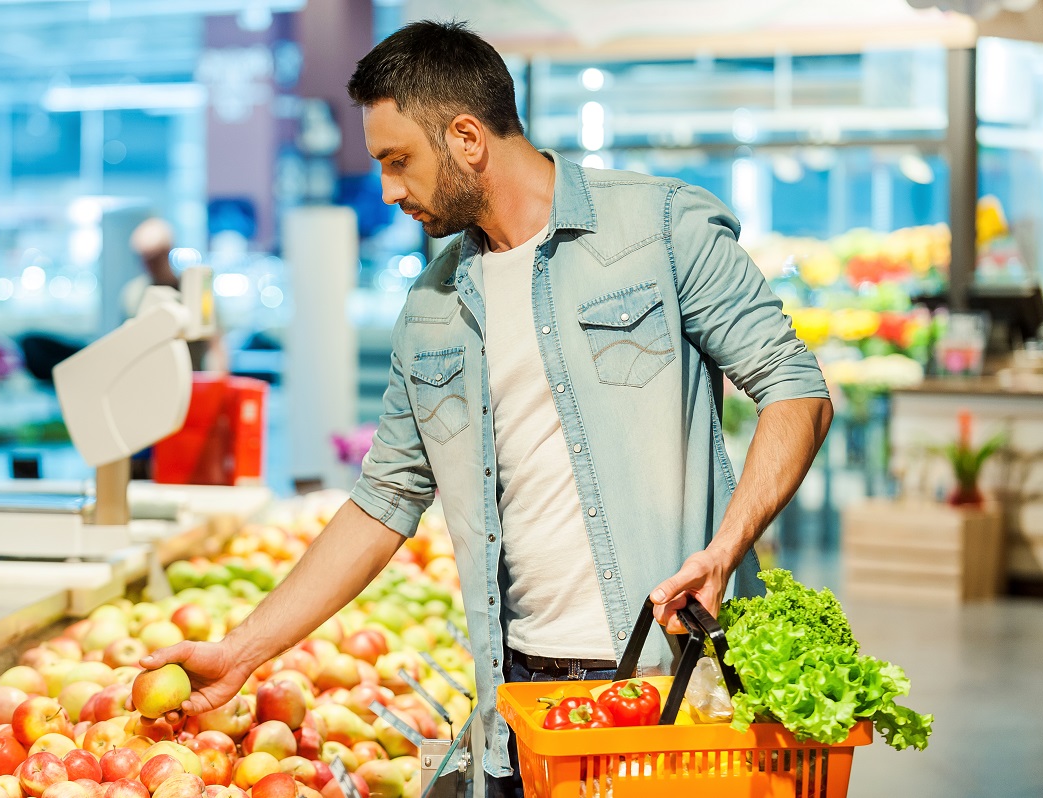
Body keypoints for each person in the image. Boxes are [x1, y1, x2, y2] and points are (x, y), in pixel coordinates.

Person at [141, 20, 832, 795]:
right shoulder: (432, 304)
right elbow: (384, 500)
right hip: (519, 703)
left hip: (668, 684)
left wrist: (726, 547)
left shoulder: (661, 229)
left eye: (397, 160)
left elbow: (794, 388)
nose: (388, 190)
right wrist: (241, 651)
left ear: (467, 137)